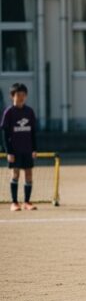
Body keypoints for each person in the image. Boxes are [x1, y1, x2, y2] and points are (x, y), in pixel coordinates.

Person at [2, 83, 37, 212]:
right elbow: (4, 134)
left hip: (27, 149)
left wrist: (34, 149)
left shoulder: (29, 112)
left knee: (29, 175)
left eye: (23, 95)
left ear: (26, 96)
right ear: (12, 96)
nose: (21, 97)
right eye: (18, 95)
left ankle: (27, 202)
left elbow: (33, 132)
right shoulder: (9, 112)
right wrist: (8, 151)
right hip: (14, 151)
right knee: (15, 175)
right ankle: (14, 202)